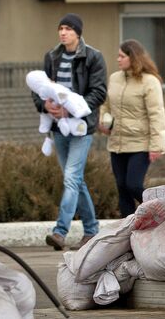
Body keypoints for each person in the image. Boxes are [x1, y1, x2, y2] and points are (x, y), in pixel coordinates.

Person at [32, 13, 107, 251]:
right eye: (60, 28)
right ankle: (92, 229)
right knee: (75, 179)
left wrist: (71, 111)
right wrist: (45, 105)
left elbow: (98, 92)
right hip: (57, 128)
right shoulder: (51, 57)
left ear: (77, 32)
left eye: (68, 29)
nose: (63, 32)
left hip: (82, 127)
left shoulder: (93, 57)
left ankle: (60, 232)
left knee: (72, 178)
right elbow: (39, 90)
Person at [99, 39, 165, 217]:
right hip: (117, 143)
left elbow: (157, 114)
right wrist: (105, 123)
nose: (118, 59)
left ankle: (158, 213)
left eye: (122, 56)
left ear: (133, 57)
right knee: (121, 187)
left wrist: (156, 146)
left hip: (140, 144)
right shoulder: (114, 78)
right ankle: (128, 232)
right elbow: (106, 106)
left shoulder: (149, 82)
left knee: (133, 185)